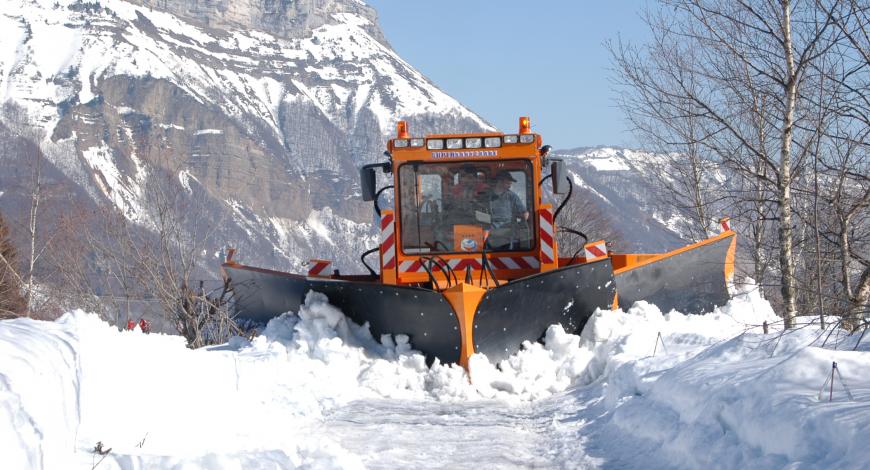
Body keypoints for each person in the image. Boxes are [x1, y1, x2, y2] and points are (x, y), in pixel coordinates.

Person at [487, 171, 529, 249]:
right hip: (489, 234)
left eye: (510, 183)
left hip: (507, 234)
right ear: (500, 181)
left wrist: (519, 215)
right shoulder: (487, 196)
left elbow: (525, 214)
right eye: (508, 183)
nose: (510, 185)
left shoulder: (512, 196)